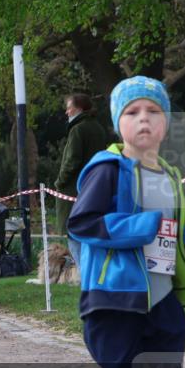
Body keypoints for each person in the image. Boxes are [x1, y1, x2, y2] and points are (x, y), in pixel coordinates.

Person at [51, 76, 185, 368]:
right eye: (133, 112)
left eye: (154, 112)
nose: (144, 120)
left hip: (161, 295)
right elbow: (82, 223)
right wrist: (145, 226)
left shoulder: (170, 174)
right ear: (119, 123)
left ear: (167, 123)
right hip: (114, 298)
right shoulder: (107, 168)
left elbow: (167, 220)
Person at [55, 93, 109, 264]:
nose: (67, 112)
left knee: (73, 234)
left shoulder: (77, 129)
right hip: (95, 188)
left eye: (69, 108)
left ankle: (84, 275)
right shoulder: (98, 128)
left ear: (78, 109)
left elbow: (72, 160)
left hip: (74, 190)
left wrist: (60, 181)